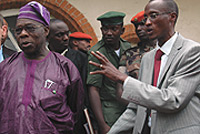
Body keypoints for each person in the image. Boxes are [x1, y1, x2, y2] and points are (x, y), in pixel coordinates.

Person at [89, 0, 200, 134]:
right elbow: (136, 107)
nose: (147, 23)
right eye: (146, 17)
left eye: (153, 16)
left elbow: (173, 100)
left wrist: (123, 79)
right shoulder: (148, 58)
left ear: (172, 17)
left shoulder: (191, 51)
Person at [0, 1, 84, 134]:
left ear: (45, 31)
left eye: (30, 28)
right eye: (18, 30)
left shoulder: (65, 67)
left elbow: (75, 110)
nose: (23, 34)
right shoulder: (5, 68)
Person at [87, 11, 131, 134]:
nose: (109, 33)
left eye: (114, 29)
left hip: (129, 107)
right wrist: (102, 125)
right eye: (105, 29)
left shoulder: (128, 47)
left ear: (122, 30)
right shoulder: (97, 53)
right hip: (110, 112)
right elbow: (93, 89)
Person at [48, 19, 88, 134]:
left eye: (67, 34)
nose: (66, 38)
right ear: (48, 36)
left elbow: (84, 90)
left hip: (74, 118)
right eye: (60, 35)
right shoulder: (42, 59)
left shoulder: (80, 58)